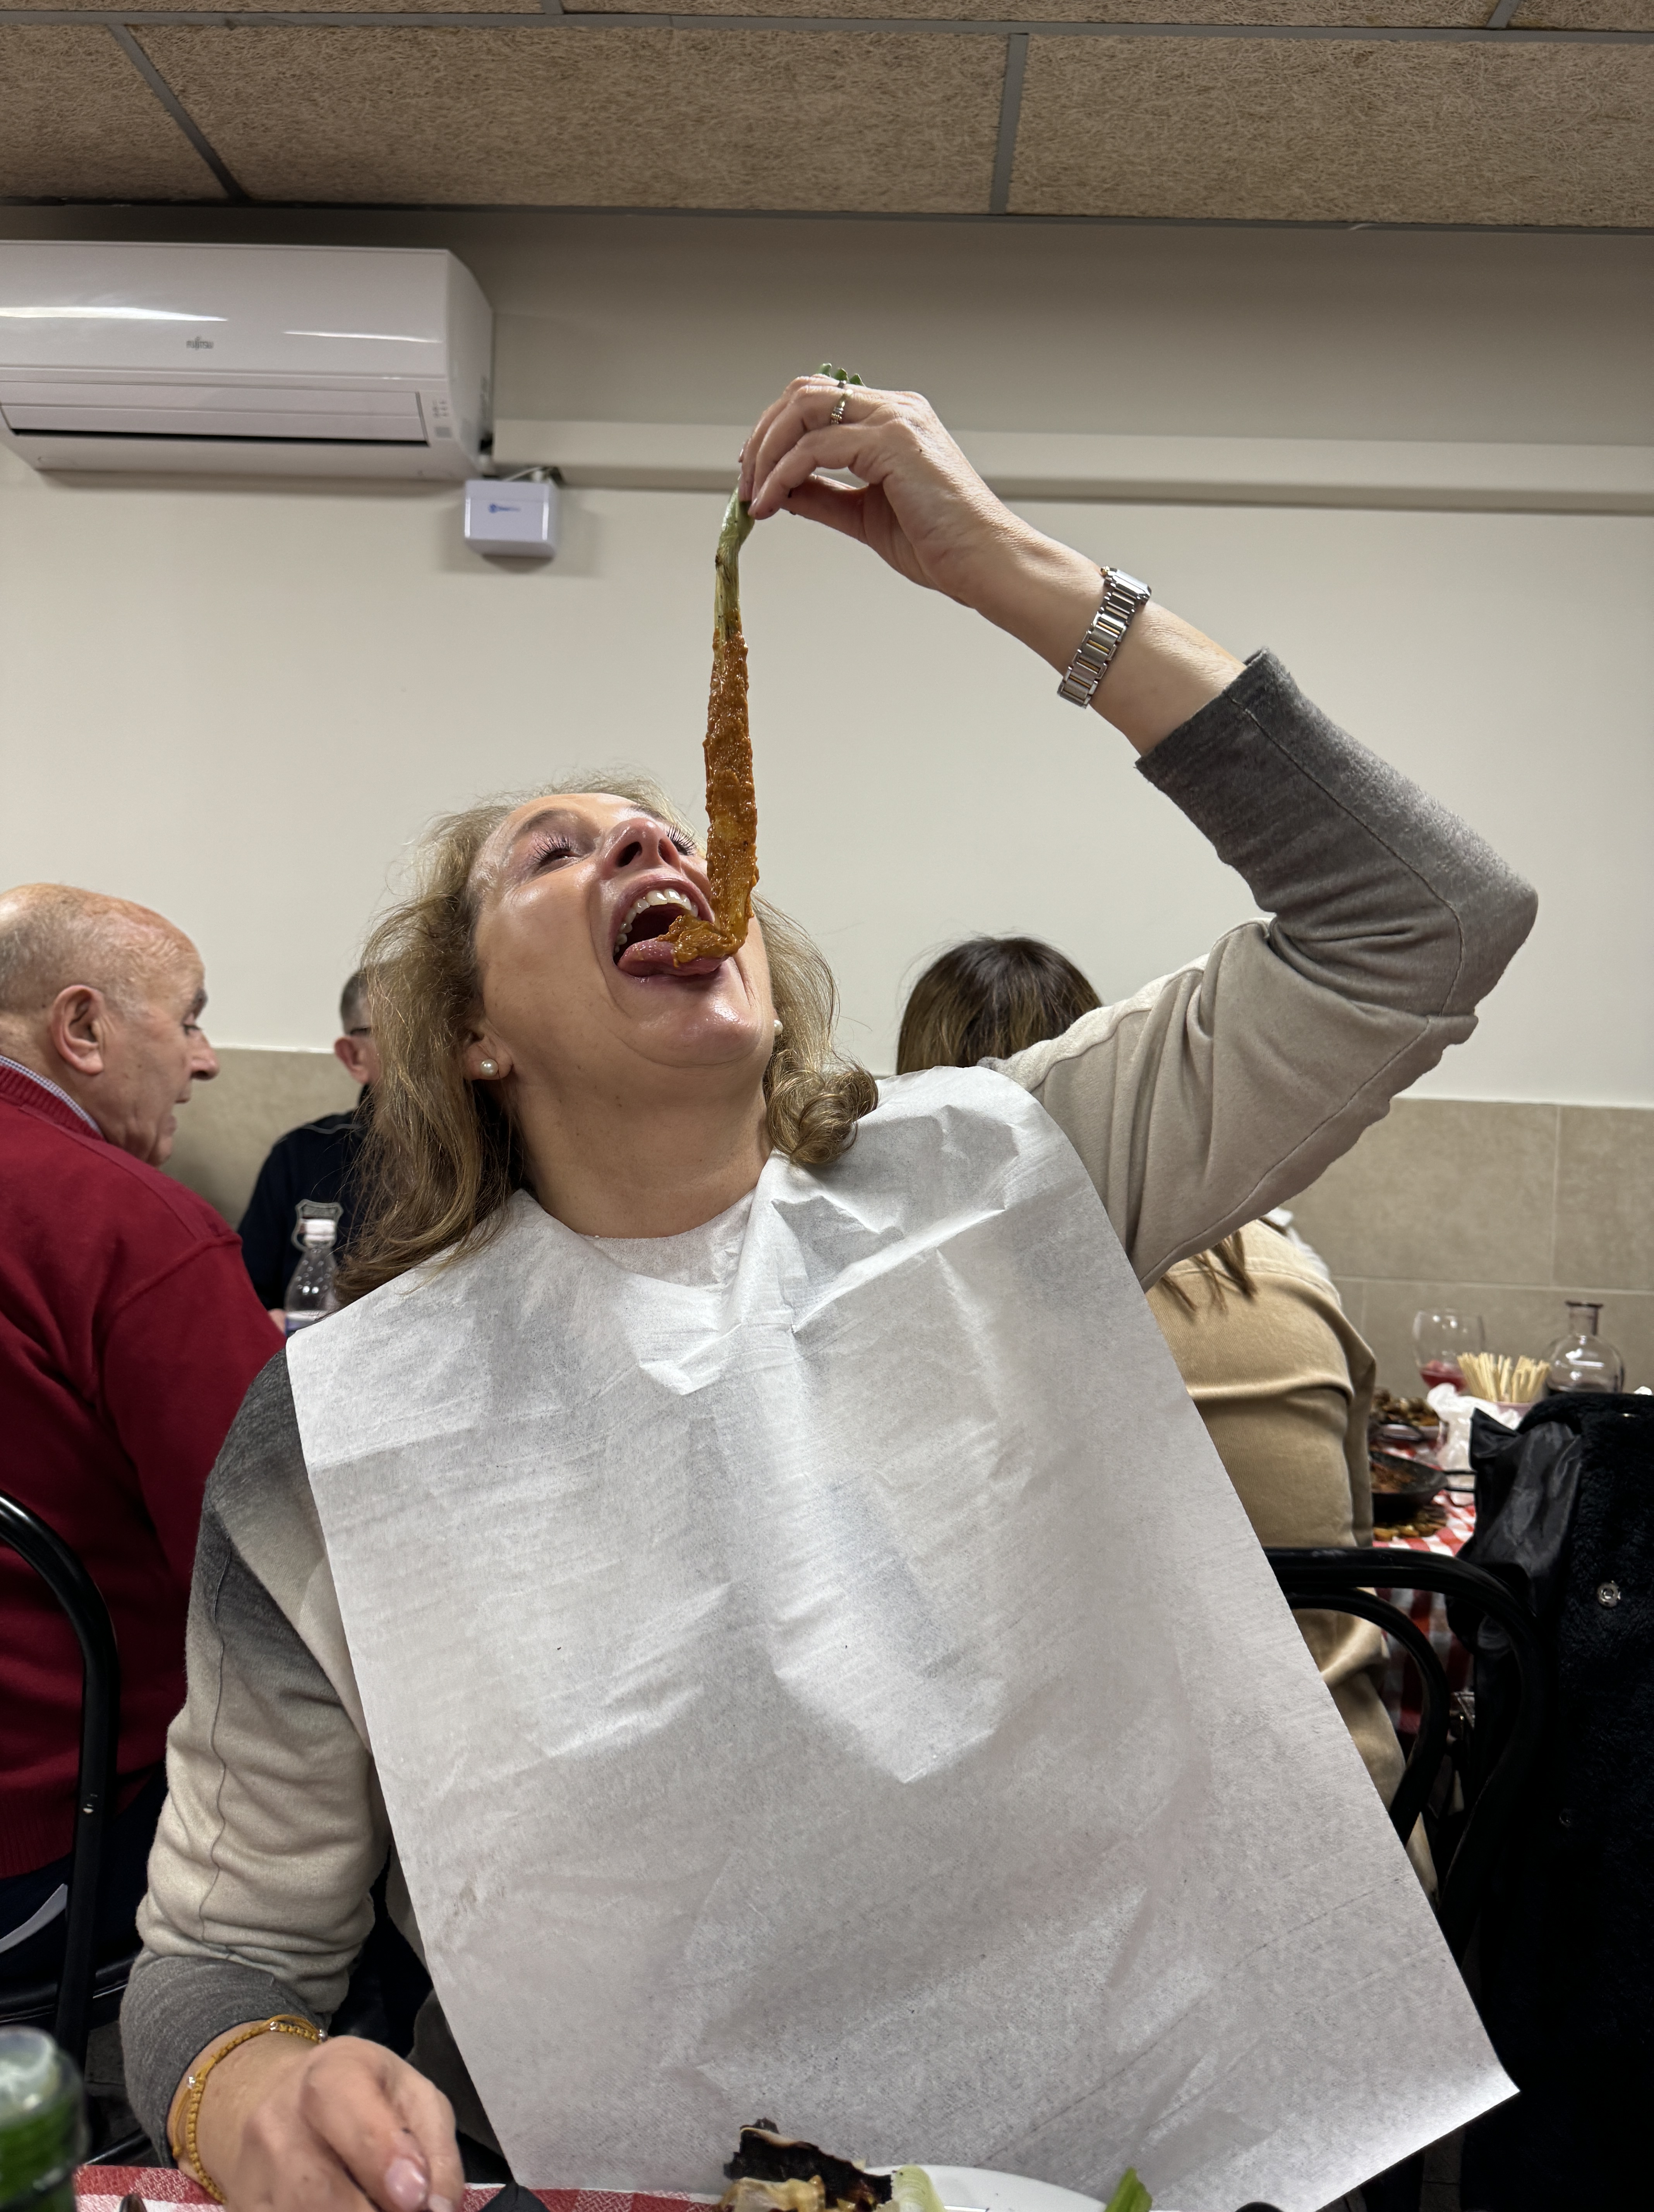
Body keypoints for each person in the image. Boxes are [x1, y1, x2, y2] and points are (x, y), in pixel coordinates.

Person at [122, 376, 1536, 2212]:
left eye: (664, 833)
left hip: (1147, 2145)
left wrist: (1012, 572)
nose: (650, 847)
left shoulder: (1008, 1176)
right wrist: (249, 2086)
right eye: (555, 853)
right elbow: (219, 1957)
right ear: (467, 1036)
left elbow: (1423, 922)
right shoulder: (343, 1430)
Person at [896, 933, 1425, 1879]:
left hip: (1131, 1864)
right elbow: (1354, 1543)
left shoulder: (934, 1320)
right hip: (1356, 1821)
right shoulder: (1289, 1274)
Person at [0, 884, 281, 1983]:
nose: (204, 1062)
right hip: (48, 1852)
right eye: (191, 1019)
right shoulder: (132, 1228)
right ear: (82, 1028)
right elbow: (276, 1565)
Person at [237, 970, 379, 1316]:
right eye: (408, 1033)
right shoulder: (300, 1155)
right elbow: (243, 1296)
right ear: (355, 1057)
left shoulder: (489, 1158)